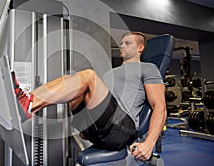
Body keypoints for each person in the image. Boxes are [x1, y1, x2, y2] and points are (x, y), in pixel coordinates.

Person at [13, 32, 166, 161]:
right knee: (70, 78)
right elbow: (100, 104)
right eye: (121, 43)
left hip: (122, 129)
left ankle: (29, 104)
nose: (122, 46)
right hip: (98, 128)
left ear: (140, 47)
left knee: (88, 75)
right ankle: (26, 101)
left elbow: (159, 106)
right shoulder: (111, 72)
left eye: (127, 43)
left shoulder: (148, 68)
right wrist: (87, 123)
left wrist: (149, 143)